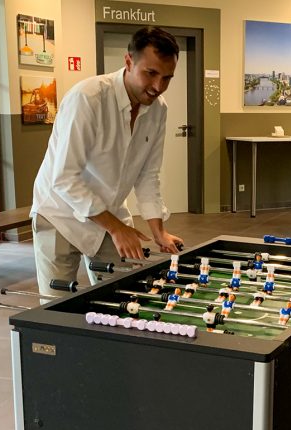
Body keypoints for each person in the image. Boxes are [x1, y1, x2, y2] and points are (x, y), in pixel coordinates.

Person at [31, 26, 183, 297]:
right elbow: (64, 178)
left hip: (108, 213)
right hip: (59, 214)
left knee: (124, 296)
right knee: (57, 313)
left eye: (167, 77)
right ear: (128, 62)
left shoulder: (159, 110)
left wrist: (158, 231)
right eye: (151, 73)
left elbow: (148, 174)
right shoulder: (87, 98)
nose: (158, 87)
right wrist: (117, 228)